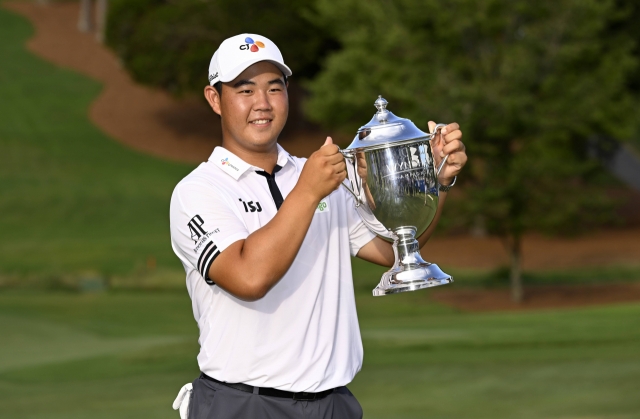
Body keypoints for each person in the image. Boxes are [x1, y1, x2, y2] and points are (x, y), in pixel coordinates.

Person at [169, 33, 467, 419]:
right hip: (243, 404)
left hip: (333, 404)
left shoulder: (318, 176)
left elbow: (393, 249)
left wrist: (434, 180)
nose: (262, 103)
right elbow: (248, 277)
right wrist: (308, 193)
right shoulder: (199, 190)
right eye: (245, 89)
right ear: (215, 99)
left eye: (274, 88)